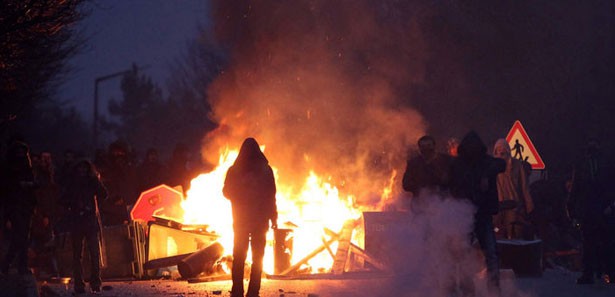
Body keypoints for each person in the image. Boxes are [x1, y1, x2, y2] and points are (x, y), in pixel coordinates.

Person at [449, 131, 505, 294]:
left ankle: (494, 288)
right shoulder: (457, 164)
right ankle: (468, 288)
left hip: (483, 214)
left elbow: (501, 165)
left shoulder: (486, 162)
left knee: (491, 254)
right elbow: (448, 180)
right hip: (464, 216)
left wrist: (485, 174)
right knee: (464, 254)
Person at [223, 138, 278, 297]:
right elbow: (271, 196)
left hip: (240, 220)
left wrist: (239, 195)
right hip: (260, 221)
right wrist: (274, 218)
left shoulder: (234, 170)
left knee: (239, 257)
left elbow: (226, 192)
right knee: (258, 257)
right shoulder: (266, 170)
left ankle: (237, 291)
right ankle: (254, 291)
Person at [568, 138, 614, 284]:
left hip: (599, 209)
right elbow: (576, 188)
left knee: (600, 242)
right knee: (596, 242)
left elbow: (575, 189)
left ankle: (602, 273)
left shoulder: (603, 163)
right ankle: (597, 273)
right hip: (594, 209)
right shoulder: (586, 164)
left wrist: (611, 205)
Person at [59, 160, 107, 294]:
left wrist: (95, 182)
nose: (82, 171)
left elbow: (104, 194)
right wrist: (75, 205)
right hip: (79, 221)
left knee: (91, 254)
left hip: (87, 221)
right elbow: (62, 200)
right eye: (80, 168)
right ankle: (84, 284)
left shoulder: (89, 181)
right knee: (81, 255)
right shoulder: (73, 182)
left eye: (84, 168)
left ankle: (92, 284)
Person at [0, 140, 37, 275]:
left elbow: (34, 186)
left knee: (23, 237)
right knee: (20, 237)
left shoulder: (28, 168)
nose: (21, 155)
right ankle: (11, 264)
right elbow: (6, 191)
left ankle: (13, 264)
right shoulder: (9, 170)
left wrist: (30, 186)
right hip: (15, 206)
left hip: (26, 206)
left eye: (23, 152)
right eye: (18, 152)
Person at [492, 139, 535, 239]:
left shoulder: (517, 165)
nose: (501, 151)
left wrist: (530, 208)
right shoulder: (491, 166)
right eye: (498, 149)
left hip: (514, 206)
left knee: (515, 234)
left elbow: (524, 187)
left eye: (503, 149)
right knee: (497, 234)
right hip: (498, 206)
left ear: (507, 150)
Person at [402, 135, 452, 210]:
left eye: (429, 145)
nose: (426, 149)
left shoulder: (446, 160)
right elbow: (406, 184)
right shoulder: (413, 163)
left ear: (434, 146)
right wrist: (420, 188)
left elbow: (452, 180)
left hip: (442, 203)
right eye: (423, 146)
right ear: (419, 148)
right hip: (420, 204)